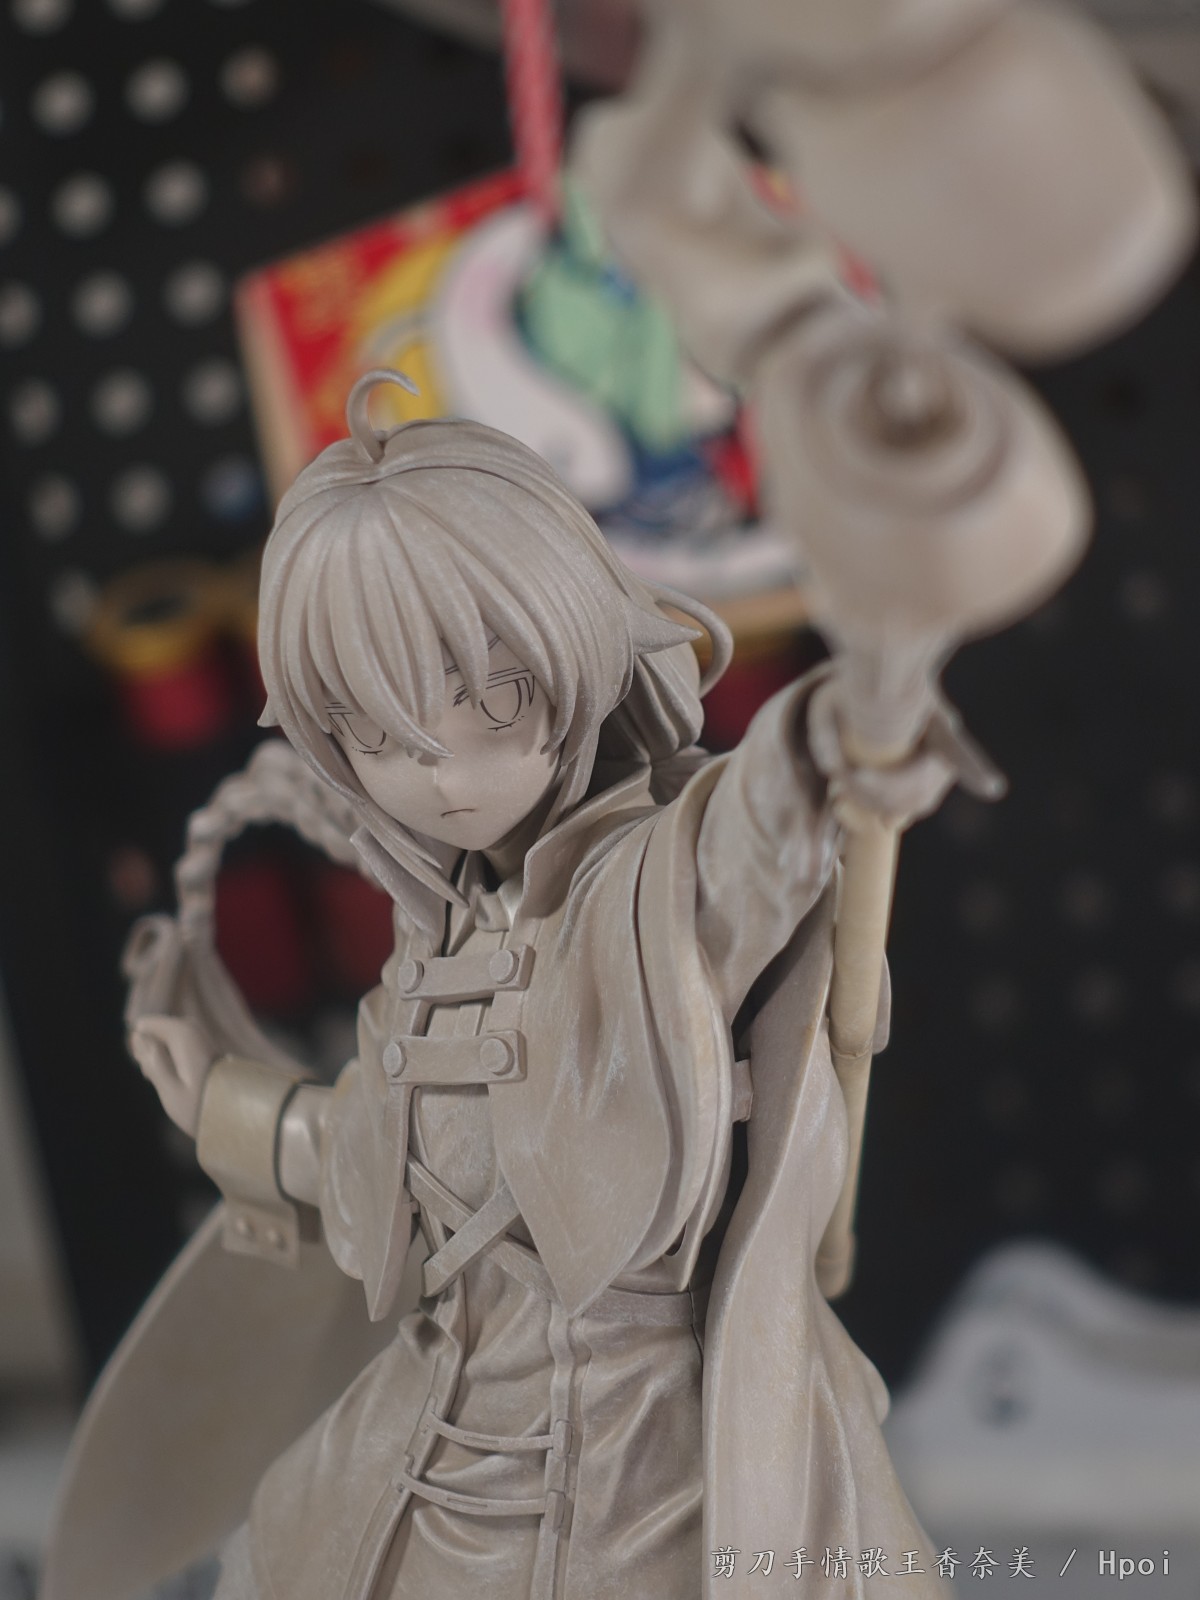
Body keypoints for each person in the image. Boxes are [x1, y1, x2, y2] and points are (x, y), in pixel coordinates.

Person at [100, 372, 962, 1600]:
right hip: (432, 1446)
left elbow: (758, 831)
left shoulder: (654, 892)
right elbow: (396, 1161)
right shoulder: (432, 951)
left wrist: (840, 728)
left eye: (486, 695)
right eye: (376, 731)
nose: (440, 771)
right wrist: (224, 1106)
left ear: (570, 641)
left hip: (653, 1473)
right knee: (280, 1548)